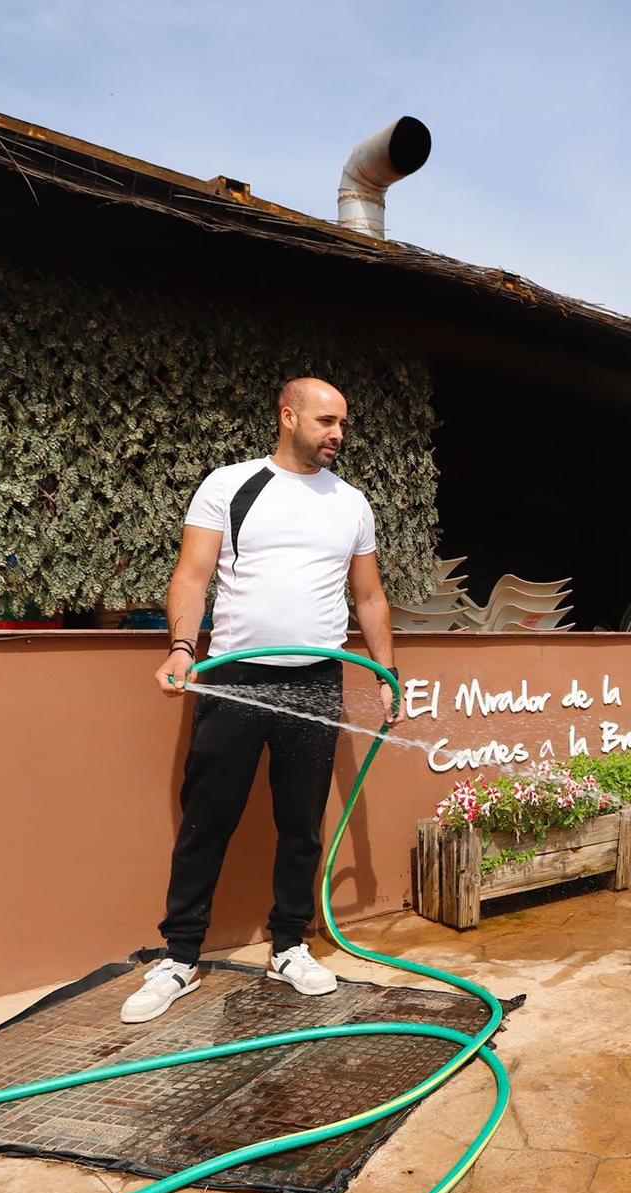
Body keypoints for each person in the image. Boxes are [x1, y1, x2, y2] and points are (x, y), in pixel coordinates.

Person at [122, 378, 400, 1023]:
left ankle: (289, 944)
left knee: (301, 823)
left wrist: (387, 671)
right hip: (234, 678)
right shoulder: (230, 485)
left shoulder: (352, 503)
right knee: (206, 820)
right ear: (288, 415)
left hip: (316, 680)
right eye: (326, 421)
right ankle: (181, 956)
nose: (338, 434)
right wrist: (183, 647)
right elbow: (192, 574)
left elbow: (370, 596)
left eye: (343, 424)